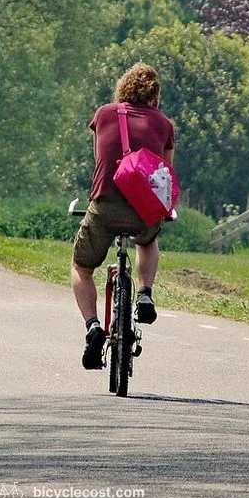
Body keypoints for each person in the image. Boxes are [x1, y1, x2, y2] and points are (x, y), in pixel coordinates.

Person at [72, 62, 175, 370]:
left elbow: (99, 159)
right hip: (144, 210)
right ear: (155, 94)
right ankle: (145, 293)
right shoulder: (164, 124)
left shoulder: (104, 114)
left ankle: (93, 326)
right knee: (147, 241)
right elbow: (165, 172)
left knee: (81, 267)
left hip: (105, 205)